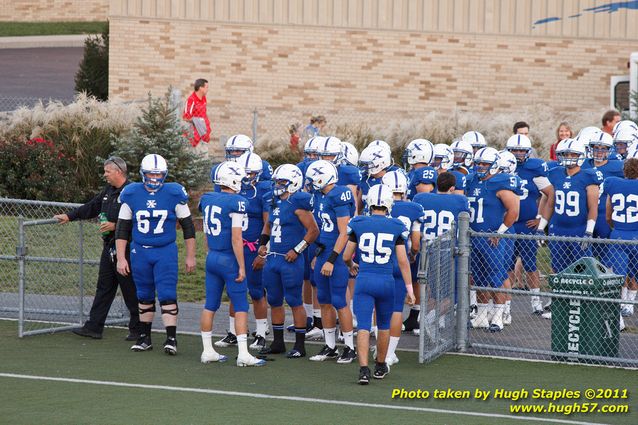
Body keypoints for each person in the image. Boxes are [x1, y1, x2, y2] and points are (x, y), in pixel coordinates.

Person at [115, 154, 196, 355]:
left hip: (165, 251)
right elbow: (122, 229)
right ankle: (145, 338)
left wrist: (190, 255)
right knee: (144, 295)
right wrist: (121, 257)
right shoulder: (132, 193)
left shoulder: (174, 192)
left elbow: (188, 227)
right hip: (140, 251)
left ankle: (171, 339)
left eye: (158, 173)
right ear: (143, 173)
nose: (154, 177)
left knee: (167, 294)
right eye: (151, 173)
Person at [54, 157, 140, 340]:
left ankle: (138, 329)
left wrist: (115, 226)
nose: (105, 175)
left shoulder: (133, 192)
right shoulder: (108, 191)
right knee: (104, 287)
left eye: (107, 171)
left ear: (118, 171)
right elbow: (92, 207)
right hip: (109, 247)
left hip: (126, 249)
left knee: (130, 289)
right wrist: (69, 216)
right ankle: (94, 327)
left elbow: (140, 220)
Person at [343, 184, 415, 384]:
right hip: (386, 281)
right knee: (383, 325)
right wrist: (410, 289)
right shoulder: (397, 225)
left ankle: (363, 369)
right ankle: (381, 365)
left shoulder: (358, 222)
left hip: (364, 280)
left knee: (364, 326)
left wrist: (351, 264)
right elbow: (402, 261)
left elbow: (346, 255)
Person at [199, 161, 265, 367]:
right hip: (228, 258)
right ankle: (243, 353)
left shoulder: (208, 198)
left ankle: (208, 351)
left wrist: (210, 252)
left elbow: (207, 233)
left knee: (210, 304)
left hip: (213, 257)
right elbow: (237, 238)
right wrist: (241, 266)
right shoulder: (236, 202)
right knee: (241, 305)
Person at [254, 164, 319, 357]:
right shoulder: (274, 201)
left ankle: (299, 346)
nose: (278, 185)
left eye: (282, 182)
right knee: (274, 300)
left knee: (293, 300)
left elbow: (314, 231)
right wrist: (263, 244)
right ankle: (278, 342)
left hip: (291, 260)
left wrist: (298, 250)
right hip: (273, 258)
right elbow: (268, 226)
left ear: (294, 183)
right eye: (276, 181)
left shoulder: (299, 203)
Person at [214, 152, 271, 351]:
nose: (247, 178)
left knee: (256, 291)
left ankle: (261, 333)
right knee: (234, 290)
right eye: (244, 173)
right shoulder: (229, 189)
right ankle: (234, 332)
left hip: (254, 246)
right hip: (234, 247)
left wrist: (264, 251)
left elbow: (268, 223)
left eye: (252, 174)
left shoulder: (264, 190)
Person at [543, 139, 603, 319]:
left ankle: (583, 306)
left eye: (573, 154)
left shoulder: (588, 176)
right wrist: (541, 227)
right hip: (559, 229)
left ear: (580, 156)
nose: (569, 158)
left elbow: (593, 207)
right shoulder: (555, 174)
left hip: (579, 229)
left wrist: (589, 231)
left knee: (582, 270)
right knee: (558, 269)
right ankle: (560, 307)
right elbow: (550, 203)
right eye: (566, 154)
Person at [305, 160, 356, 363]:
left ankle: (350, 348)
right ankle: (330, 346)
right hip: (323, 253)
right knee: (324, 299)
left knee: (339, 301)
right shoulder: (319, 195)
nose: (309, 182)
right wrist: (318, 254)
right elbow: (321, 231)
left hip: (336, 255)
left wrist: (332, 260)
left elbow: (344, 232)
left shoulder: (339, 195)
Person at [467, 147, 520, 332]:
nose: (480, 167)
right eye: (478, 163)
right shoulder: (471, 181)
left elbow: (514, 210)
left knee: (496, 276)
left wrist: (500, 232)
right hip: (474, 237)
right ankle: (481, 316)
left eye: (484, 164)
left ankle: (498, 316)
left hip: (492, 238)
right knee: (479, 278)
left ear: (494, 165)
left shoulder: (501, 182)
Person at [505, 134, 554, 315]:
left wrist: (541, 218)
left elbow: (550, 193)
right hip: (508, 224)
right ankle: (506, 305)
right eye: (514, 150)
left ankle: (536, 302)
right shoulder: (502, 167)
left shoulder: (534, 168)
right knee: (507, 265)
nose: (518, 154)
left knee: (530, 264)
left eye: (521, 150)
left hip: (527, 224)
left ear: (528, 152)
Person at [381, 171, 424, 364]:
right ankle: (389, 353)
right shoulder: (414, 208)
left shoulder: (376, 208)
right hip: (400, 262)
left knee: (379, 307)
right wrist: (412, 256)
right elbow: (415, 244)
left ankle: (379, 349)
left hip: (378, 263)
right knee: (397, 309)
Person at [605, 152, 638, 320]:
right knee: (635, 271)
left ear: (624, 171)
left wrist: (616, 227)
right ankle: (630, 305)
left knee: (620, 272)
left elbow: (608, 216)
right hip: (636, 234)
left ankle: (623, 303)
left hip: (618, 234)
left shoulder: (613, 184)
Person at [182, 78, 211, 155]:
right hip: (194, 136)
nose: (208, 89)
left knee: (205, 160)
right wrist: (199, 121)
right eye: (206, 87)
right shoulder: (191, 100)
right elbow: (186, 117)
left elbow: (204, 115)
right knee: (194, 160)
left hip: (203, 134)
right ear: (201, 88)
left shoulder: (204, 99)